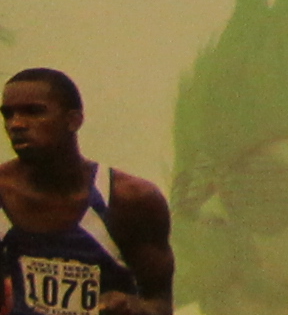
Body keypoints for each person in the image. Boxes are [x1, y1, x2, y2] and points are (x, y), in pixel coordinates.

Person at [1, 65, 172, 315]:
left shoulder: (130, 200)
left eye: (34, 112)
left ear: (73, 120)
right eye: (8, 115)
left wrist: (135, 309)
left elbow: (161, 302)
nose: (16, 124)